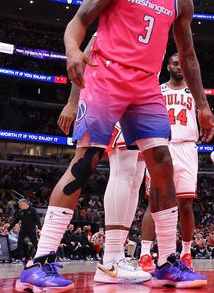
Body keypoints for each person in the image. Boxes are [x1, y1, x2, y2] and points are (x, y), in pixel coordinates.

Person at [15, 0, 214, 292]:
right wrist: (73, 51)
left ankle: (168, 262)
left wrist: (202, 104)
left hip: (144, 86)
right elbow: (79, 22)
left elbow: (188, 56)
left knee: (162, 165)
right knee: (86, 162)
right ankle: (39, 261)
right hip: (106, 78)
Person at [58, 32, 147, 283]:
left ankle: (118, 256)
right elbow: (81, 59)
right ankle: (110, 259)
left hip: (138, 99)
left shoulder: (149, 23)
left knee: (135, 177)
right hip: (113, 96)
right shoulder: (114, 23)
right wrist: (72, 102)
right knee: (123, 170)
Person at [137, 53, 202, 272]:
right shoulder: (158, 89)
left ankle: (186, 252)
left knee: (186, 204)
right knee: (154, 202)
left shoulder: (195, 92)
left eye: (183, 63)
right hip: (161, 145)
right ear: (168, 66)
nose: (179, 66)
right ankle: (145, 253)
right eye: (175, 63)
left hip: (186, 147)